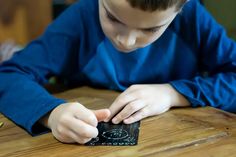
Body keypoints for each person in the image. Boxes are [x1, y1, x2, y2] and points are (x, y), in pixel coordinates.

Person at [0, 0, 236, 144]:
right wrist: (51, 113)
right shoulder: (80, 19)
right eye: (113, 18)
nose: (127, 41)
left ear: (181, 7)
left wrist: (173, 94)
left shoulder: (193, 19)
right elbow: (8, 74)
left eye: (151, 28)